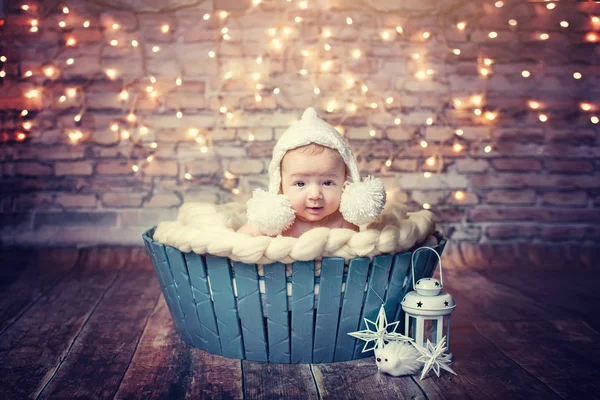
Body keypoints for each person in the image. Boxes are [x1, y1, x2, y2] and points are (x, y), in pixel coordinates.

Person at [238, 107, 386, 238]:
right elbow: (242, 239)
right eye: (300, 183)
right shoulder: (275, 221)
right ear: (281, 185)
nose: (315, 195)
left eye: (328, 183)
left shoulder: (343, 222)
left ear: (345, 182)